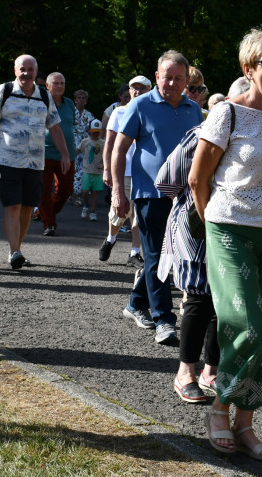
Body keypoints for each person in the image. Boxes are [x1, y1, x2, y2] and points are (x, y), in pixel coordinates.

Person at [188, 27, 262, 461]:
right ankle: (219, 408)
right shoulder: (227, 115)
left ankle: (246, 422)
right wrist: (213, 223)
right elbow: (198, 178)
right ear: (248, 68)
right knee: (248, 321)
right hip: (230, 228)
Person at [112, 52, 204, 345]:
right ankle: (165, 319)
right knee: (155, 256)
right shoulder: (140, 105)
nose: (173, 83)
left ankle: (136, 302)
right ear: (157, 76)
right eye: (168, 77)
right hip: (150, 194)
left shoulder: (194, 110)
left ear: (187, 80)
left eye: (179, 78)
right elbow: (118, 150)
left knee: (173, 256)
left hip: (185, 196)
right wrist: (117, 190)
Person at [0, 55, 70, 269]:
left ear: (36, 71)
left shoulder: (44, 95)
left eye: (30, 69)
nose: (26, 73)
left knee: (27, 207)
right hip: (8, 159)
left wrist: (65, 154)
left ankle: (17, 250)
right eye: (22, 69)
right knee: (13, 205)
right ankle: (15, 251)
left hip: (35, 162)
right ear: (15, 70)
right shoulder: (3, 92)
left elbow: (55, 127)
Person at [155, 124, 220, 404]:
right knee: (199, 296)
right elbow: (166, 180)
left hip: (243, 224)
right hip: (199, 222)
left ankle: (211, 372)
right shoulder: (204, 132)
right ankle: (185, 373)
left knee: (225, 301)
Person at [100, 76, 147, 266]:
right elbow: (110, 143)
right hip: (123, 170)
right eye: (134, 88)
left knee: (139, 214)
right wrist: (106, 169)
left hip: (145, 172)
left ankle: (134, 253)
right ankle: (111, 238)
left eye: (142, 89)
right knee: (119, 212)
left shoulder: (152, 112)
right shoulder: (119, 112)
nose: (137, 92)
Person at [39, 72, 77, 236]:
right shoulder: (41, 103)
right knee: (44, 191)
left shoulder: (69, 104)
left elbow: (70, 125)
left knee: (66, 191)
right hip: (45, 154)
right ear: (47, 86)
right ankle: (49, 223)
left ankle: (46, 212)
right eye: (56, 83)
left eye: (62, 83)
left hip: (67, 155)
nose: (60, 86)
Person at [72, 88, 95, 209]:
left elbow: (92, 132)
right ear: (75, 100)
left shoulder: (89, 115)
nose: (81, 100)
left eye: (83, 98)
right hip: (71, 144)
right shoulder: (70, 113)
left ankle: (79, 195)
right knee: (71, 170)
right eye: (79, 98)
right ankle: (71, 192)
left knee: (82, 171)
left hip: (85, 145)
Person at [77, 119, 105, 221]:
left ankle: (93, 212)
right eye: (93, 132)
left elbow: (106, 155)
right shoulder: (85, 141)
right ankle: (86, 205)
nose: (95, 134)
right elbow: (78, 150)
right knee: (85, 191)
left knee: (95, 192)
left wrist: (103, 164)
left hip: (97, 172)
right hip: (86, 171)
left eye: (97, 132)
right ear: (89, 130)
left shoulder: (103, 143)